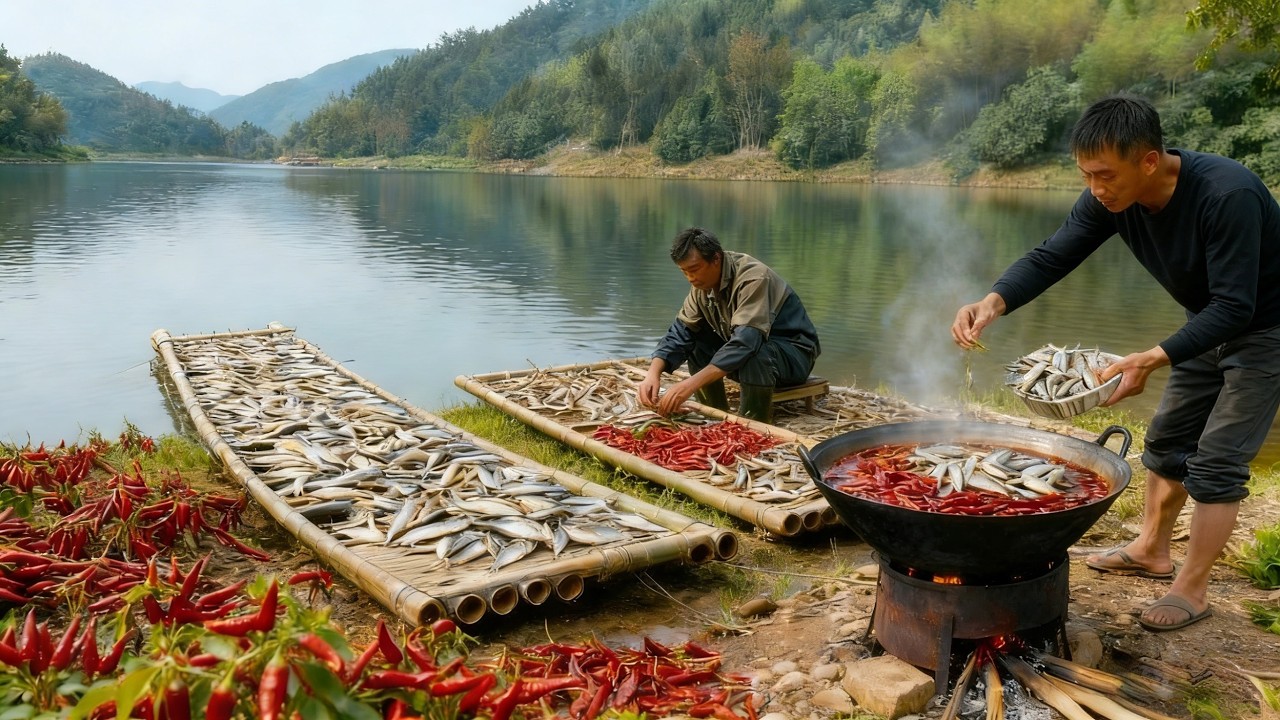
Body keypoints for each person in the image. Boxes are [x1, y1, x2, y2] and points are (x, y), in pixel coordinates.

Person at [952, 94, 1280, 632]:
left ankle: (1192, 589)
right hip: (1206, 320)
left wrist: (1152, 358)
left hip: (1266, 329)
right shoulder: (1108, 200)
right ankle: (1152, 549)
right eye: (1085, 175)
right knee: (1167, 442)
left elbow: (1236, 307)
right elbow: (1053, 255)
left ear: (1148, 161)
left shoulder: (1227, 194)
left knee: (1218, 462)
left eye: (1104, 175)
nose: (1095, 189)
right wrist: (994, 301)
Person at [638, 227, 821, 424]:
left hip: (793, 357)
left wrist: (690, 385)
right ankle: (713, 414)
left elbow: (746, 343)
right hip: (751, 354)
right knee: (697, 341)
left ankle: (753, 423)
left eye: (694, 269)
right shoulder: (701, 286)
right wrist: (652, 374)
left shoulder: (754, 278)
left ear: (716, 259)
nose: (690, 278)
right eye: (684, 272)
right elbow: (680, 333)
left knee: (754, 352)